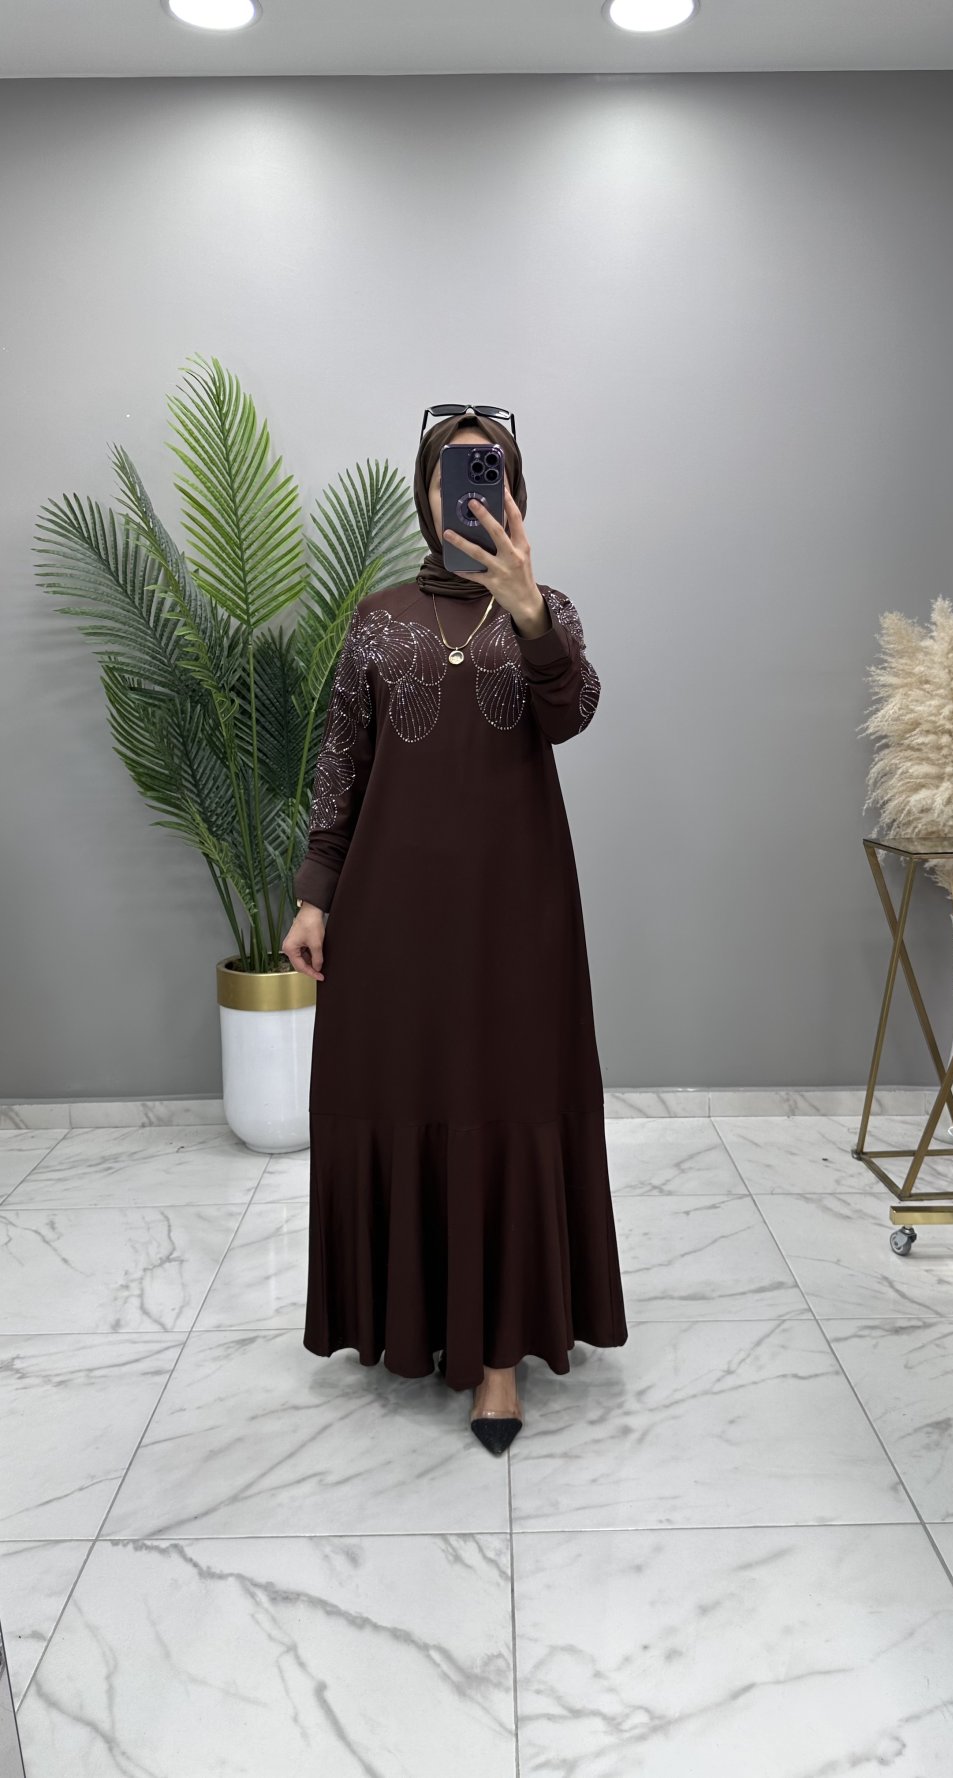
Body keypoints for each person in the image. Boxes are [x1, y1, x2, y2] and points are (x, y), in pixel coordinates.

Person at [283, 406, 628, 1454]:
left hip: (519, 914)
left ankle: (498, 1361)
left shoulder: (547, 611)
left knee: (506, 1100)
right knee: (410, 1094)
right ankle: (417, 1318)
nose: (470, 490)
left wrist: (528, 613)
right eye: (452, 471)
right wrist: (314, 894)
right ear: (424, 491)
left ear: (514, 493)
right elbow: (341, 758)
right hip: (393, 915)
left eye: (491, 471)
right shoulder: (377, 619)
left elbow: (573, 714)